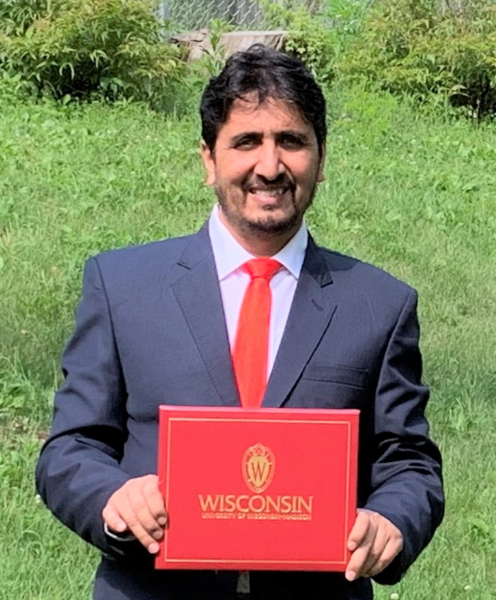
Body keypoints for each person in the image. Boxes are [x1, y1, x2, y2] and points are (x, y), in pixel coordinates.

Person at [35, 45, 444, 600]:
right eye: (247, 141)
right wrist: (113, 498)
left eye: (291, 142)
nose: (270, 166)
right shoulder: (123, 286)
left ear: (321, 161)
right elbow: (70, 448)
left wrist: (391, 523)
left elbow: (409, 464)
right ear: (209, 160)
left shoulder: (379, 305)